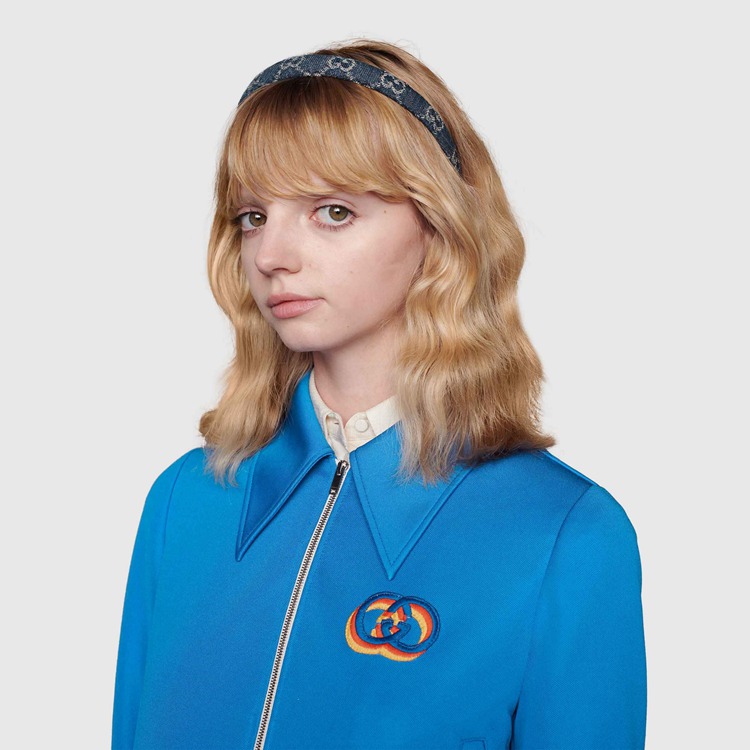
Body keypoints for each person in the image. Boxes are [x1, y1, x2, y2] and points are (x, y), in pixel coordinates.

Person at [112, 39, 647, 750]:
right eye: (253, 216)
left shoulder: (565, 535)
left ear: (437, 228)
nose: (271, 255)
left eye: (332, 211)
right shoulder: (185, 501)